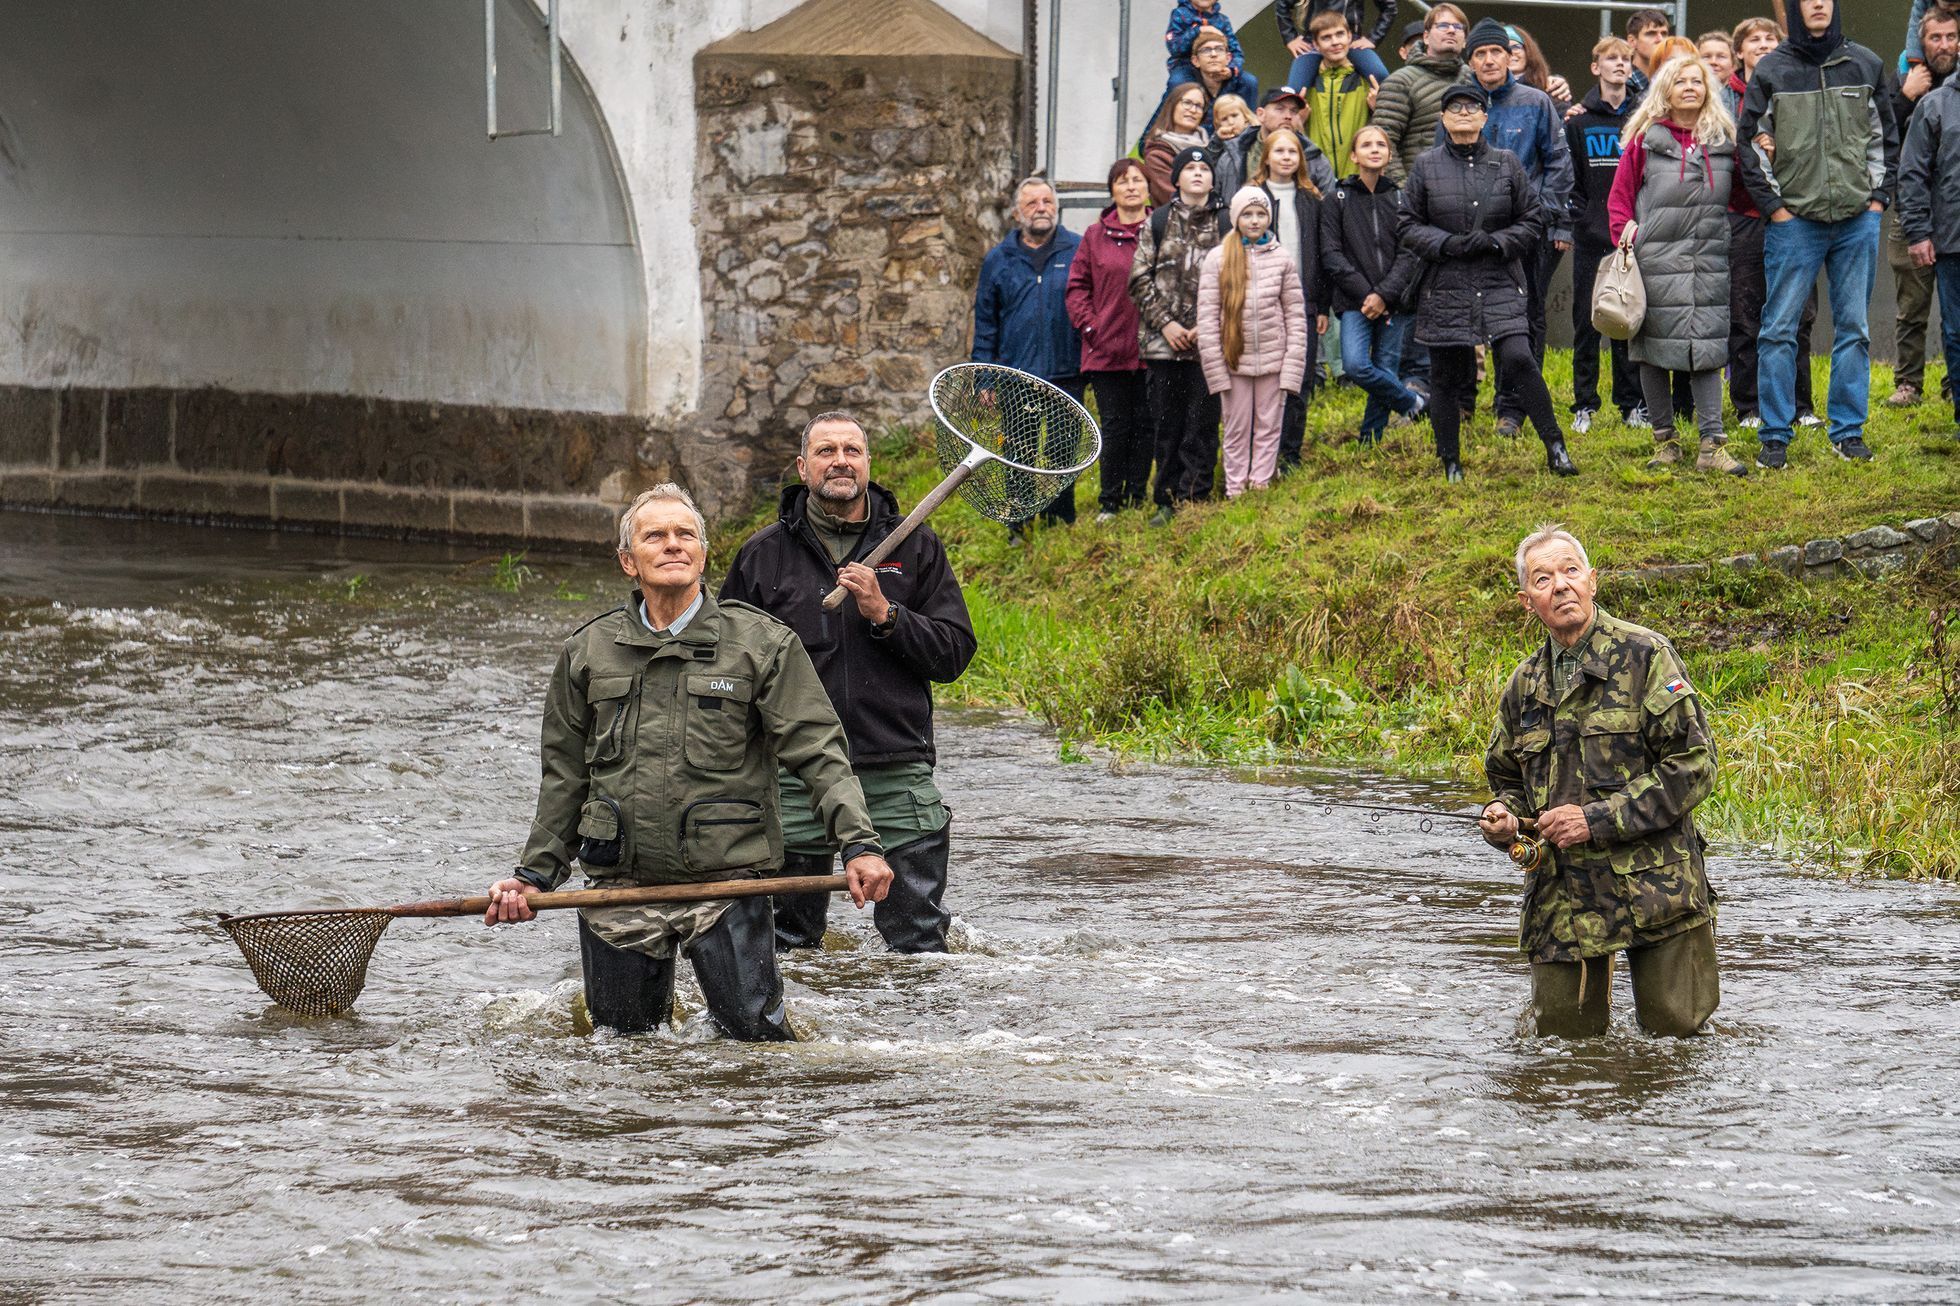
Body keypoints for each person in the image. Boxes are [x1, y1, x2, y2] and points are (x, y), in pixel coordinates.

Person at [483, 485, 896, 1040]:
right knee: (621, 1053)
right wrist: (533, 876)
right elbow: (565, 776)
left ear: (703, 556)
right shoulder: (587, 651)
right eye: (655, 535)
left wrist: (860, 845)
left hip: (727, 885)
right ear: (628, 561)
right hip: (618, 887)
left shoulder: (761, 644)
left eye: (685, 535)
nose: (673, 544)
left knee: (757, 1048)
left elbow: (820, 753)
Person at [719, 416, 976, 956]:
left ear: (867, 464)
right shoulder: (762, 556)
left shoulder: (917, 547)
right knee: (786, 948)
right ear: (802, 467)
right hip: (794, 776)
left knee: (918, 949)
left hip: (895, 770)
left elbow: (954, 653)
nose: (840, 460)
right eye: (826, 450)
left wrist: (886, 614)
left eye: (852, 450)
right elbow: (725, 673)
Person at [1480, 525, 1721, 1040]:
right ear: (1527, 601)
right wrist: (1504, 819)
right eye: (1543, 579)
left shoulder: (1646, 655)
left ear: (1592, 580)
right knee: (1561, 1045)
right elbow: (1507, 779)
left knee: (1677, 1040)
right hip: (1562, 895)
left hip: (1657, 887)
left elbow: (1695, 765)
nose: (1560, 585)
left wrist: (1596, 820)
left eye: (1570, 571)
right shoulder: (1523, 685)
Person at [1737, 0, 1900, 467]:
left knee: (1854, 329)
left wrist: (1876, 201)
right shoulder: (1772, 70)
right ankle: (1775, 435)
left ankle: (1847, 432)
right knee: (1777, 330)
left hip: (1856, 221)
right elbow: (1750, 143)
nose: (1818, 3)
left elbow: (1884, 139)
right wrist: (1776, 209)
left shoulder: (1865, 63)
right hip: (1795, 223)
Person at [1400, 82, 1577, 482]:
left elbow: (1531, 218)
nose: (1463, 113)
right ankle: (1450, 461)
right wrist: (1445, 243)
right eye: (1455, 107)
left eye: (1472, 107)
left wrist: (1498, 242)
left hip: (1498, 277)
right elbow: (1407, 224)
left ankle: (1555, 445)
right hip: (1446, 279)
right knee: (1446, 374)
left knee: (1518, 357)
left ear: (1484, 117)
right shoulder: (1426, 166)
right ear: (1443, 119)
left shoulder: (1507, 162)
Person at [1609, 56, 1751, 477]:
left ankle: (1712, 446)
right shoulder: (1645, 141)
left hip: (1708, 262)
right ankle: (1665, 442)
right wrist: (1628, 237)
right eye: (1680, 81)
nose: (1690, 87)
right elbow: (1619, 198)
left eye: (1697, 81)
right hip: (1655, 261)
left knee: (1707, 350)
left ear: (1708, 90)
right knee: (1653, 352)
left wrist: (1764, 162)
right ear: (1665, 92)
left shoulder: (1724, 142)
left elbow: (1744, 198)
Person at [1460, 18, 1575, 440]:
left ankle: (1515, 407)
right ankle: (1468, 400)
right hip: (1475, 234)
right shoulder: (1460, 104)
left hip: (1528, 232)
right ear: (1470, 62)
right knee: (1478, 317)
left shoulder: (1536, 102)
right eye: (1480, 54)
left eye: (1496, 52)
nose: (1489, 60)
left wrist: (1539, 215)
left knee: (1525, 318)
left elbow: (1559, 163)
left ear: (1510, 57)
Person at [1725, 17, 1820, 433]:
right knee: (1746, 315)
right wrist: (1748, 148)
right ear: (1739, 51)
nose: (1763, 44)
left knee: (1798, 314)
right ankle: (1750, 406)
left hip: (1796, 216)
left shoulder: (1796, 88)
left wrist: (1782, 149)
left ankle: (1800, 406)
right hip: (1743, 217)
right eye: (1754, 39)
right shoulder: (1723, 98)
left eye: (1770, 38)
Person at [972, 177, 1082, 540]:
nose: (1041, 208)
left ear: (1057, 207)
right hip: (1015, 374)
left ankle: (1060, 517)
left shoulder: (1077, 249)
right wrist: (985, 378)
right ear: (1017, 213)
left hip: (1066, 370)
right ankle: (1019, 521)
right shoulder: (998, 259)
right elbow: (986, 323)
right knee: (1019, 451)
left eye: (1047, 201)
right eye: (1032, 203)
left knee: (1063, 448)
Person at [1131, 147, 1227, 523]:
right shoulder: (1156, 221)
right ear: (1176, 178)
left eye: (1204, 168)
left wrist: (1209, 325)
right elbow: (1139, 278)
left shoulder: (1227, 222)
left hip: (1210, 343)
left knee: (1202, 422)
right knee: (1167, 423)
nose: (1198, 173)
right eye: (1189, 168)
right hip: (1163, 345)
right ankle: (1167, 497)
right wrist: (1166, 324)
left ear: (1213, 179)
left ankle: (1196, 493)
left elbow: (1238, 280)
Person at [1320, 124, 1427, 443]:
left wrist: (1383, 294)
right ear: (1354, 156)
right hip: (1355, 302)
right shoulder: (1337, 199)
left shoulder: (1401, 198)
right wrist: (1367, 294)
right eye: (1366, 145)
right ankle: (1414, 403)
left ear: (1390, 155)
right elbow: (1331, 254)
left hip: (1395, 301)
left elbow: (1409, 252)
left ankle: (1370, 439)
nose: (1375, 149)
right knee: (1355, 365)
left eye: (1381, 144)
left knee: (1386, 367)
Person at [1198, 187, 1307, 495]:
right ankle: (1235, 488)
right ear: (1236, 218)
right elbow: (1207, 318)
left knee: (1269, 425)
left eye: (1261, 214)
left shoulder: (1281, 257)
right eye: (1247, 214)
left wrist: (1292, 365)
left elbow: (1295, 315)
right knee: (1236, 427)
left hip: (1273, 358)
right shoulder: (1218, 259)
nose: (1255, 221)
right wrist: (1216, 370)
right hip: (1234, 361)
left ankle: (1260, 483)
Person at [1067, 159, 1157, 519]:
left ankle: (1136, 495)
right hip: (1106, 350)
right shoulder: (1094, 235)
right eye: (1123, 181)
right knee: (1116, 426)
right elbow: (1077, 288)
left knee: (1146, 424)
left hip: (1153, 348)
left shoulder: (1161, 228)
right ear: (1112, 190)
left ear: (1148, 188)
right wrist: (1092, 329)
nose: (1131, 187)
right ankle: (1109, 501)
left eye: (1137, 180)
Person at [1565, 37, 1642, 434]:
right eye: (1612, 59)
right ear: (1596, 67)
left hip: (1630, 236)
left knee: (1626, 321)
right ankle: (1585, 404)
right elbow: (1570, 180)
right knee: (1586, 322)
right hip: (1591, 238)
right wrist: (1582, 219)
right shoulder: (1578, 122)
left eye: (1626, 59)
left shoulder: (1641, 119)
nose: (1620, 65)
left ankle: (1631, 405)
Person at [1884, 6, 1958, 409]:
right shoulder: (1904, 78)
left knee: (1956, 306)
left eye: (1950, 37)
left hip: (1954, 209)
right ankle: (1909, 381)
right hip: (1911, 205)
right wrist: (1906, 95)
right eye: (1935, 37)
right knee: (1912, 303)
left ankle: (1952, 379)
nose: (1943, 45)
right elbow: (1880, 134)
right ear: (1920, 41)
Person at [1252, 128, 1328, 463]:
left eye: (1292, 152)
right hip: (1262, 304)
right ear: (1266, 157)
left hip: (1304, 304)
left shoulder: (1312, 200)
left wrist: (1322, 305)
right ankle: (1262, 451)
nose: (1286, 157)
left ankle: (1290, 453)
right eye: (1279, 151)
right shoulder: (1253, 198)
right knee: (1265, 380)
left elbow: (1322, 255)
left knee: (1299, 379)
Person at [1900, 45, 1960, 440]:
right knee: (1957, 331)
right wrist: (1918, 232)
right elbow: (1912, 173)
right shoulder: (1936, 104)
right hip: (1953, 239)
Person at [1375, 3, 1467, 185]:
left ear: (1464, 40)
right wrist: (1403, 190)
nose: (1451, 30)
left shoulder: (1473, 79)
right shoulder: (1400, 81)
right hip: (1420, 189)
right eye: (1443, 25)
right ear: (1426, 36)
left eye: (1458, 27)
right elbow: (1384, 141)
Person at [1300, 11, 1375, 182]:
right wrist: (1299, 123)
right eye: (1326, 38)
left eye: (1340, 34)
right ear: (1316, 44)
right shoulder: (1308, 83)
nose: (1335, 42)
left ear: (1349, 36)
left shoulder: (1365, 80)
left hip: (1358, 179)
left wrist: (1378, 109)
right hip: (1319, 179)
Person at [1280, 0, 1396, 94]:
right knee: (1293, 92)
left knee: (1383, 80)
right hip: (1313, 43)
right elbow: (1282, 5)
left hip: (1351, 42)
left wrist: (1373, 38)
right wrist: (1290, 38)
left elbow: (1389, 7)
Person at [1165, 0, 1258, 104]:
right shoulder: (1180, 15)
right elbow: (1174, 47)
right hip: (1187, 68)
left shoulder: (1222, 20)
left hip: (1219, 70)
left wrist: (1231, 69)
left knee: (1249, 81)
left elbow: (1236, 53)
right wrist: (1198, 30)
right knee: (1176, 82)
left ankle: (1247, 114)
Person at [1143, 81, 1214, 205]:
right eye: (1187, 103)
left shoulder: (1211, 148)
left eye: (1199, 106)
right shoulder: (1157, 155)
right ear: (1173, 106)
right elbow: (1173, 197)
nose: (1193, 110)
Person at [1509, 26, 1573, 112]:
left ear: (1528, 50)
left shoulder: (1551, 88)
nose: (1510, 53)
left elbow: (1562, 118)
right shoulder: (1491, 93)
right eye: (1503, 49)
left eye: (1516, 47)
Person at [1625, 8, 1674, 98]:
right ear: (1632, 41)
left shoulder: (1673, 82)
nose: (1660, 39)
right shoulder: (1621, 84)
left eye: (1664, 34)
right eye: (1651, 34)